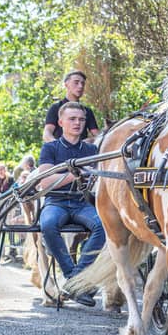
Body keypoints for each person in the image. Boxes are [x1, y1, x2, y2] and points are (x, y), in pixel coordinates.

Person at [38, 101, 105, 306]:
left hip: (81, 202)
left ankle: (76, 280)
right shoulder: (50, 148)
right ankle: (75, 280)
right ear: (61, 122)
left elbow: (97, 179)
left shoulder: (92, 149)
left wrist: (75, 175)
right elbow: (45, 181)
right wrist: (76, 174)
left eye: (81, 120)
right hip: (56, 202)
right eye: (72, 119)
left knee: (102, 226)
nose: (77, 123)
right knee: (48, 224)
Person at [43, 70, 99, 142]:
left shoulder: (87, 111)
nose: (80, 86)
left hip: (82, 152)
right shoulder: (56, 108)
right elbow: (47, 133)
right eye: (76, 83)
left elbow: (97, 136)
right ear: (66, 85)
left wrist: (86, 142)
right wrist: (57, 146)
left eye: (82, 83)